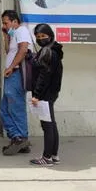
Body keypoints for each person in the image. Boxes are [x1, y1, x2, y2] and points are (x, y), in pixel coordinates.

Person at [29, 24, 64, 166]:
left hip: (45, 95)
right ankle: (54, 155)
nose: (41, 39)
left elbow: (44, 76)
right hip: (52, 93)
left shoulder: (47, 52)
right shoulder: (53, 50)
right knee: (51, 124)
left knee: (47, 125)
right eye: (38, 37)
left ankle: (47, 157)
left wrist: (36, 95)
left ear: (50, 35)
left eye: (43, 36)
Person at [0, 10, 33, 155]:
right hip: (12, 73)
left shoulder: (22, 31)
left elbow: (24, 49)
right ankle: (18, 138)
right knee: (6, 107)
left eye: (6, 22)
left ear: (14, 21)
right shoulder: (14, 34)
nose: (5, 25)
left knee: (14, 106)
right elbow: (9, 51)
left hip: (16, 73)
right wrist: (6, 36)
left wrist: (11, 67)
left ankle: (20, 137)